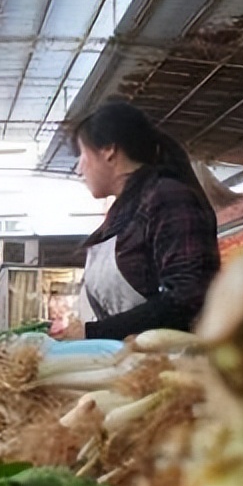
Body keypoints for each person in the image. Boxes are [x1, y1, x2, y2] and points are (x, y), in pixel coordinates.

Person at [54, 100, 220, 341]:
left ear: (109, 151)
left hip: (170, 363)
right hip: (128, 359)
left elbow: (188, 295)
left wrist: (95, 332)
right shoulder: (125, 210)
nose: (79, 168)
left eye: (82, 154)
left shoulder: (167, 197)